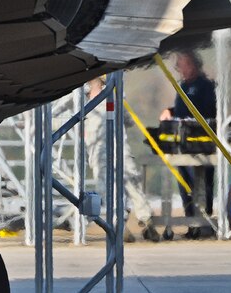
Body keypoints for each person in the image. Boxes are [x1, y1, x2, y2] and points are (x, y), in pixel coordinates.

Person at [85, 77, 160, 242]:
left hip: (118, 146)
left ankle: (146, 219)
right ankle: (120, 225)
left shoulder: (115, 93)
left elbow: (127, 118)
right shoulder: (82, 97)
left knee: (131, 182)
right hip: (98, 151)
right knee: (107, 187)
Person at [159, 50, 216, 238]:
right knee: (184, 183)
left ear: (192, 64)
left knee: (201, 182)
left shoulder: (206, 86)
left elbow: (209, 110)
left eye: (181, 64)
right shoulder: (182, 86)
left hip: (201, 144)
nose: (179, 69)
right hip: (182, 144)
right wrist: (170, 111)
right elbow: (181, 110)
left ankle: (203, 221)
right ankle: (191, 221)